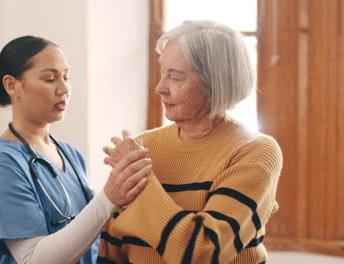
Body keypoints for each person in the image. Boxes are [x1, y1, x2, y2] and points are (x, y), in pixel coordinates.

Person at [97, 21, 282, 264]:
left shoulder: (256, 152)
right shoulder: (144, 145)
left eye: (175, 77)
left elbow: (202, 252)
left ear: (215, 82)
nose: (160, 88)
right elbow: (112, 247)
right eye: (162, 73)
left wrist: (141, 181)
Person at [0, 36, 152, 264]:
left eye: (66, 77)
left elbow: (89, 232)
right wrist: (109, 198)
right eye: (50, 79)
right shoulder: (0, 164)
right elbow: (33, 259)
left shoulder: (71, 155)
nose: (64, 89)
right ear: (11, 85)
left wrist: (127, 184)